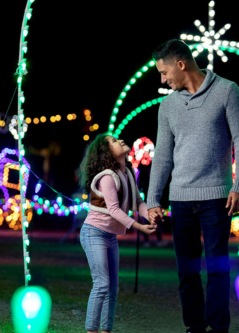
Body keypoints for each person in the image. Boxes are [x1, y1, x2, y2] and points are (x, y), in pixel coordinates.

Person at [147, 39, 239, 333]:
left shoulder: (228, 91)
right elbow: (163, 156)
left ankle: (218, 328)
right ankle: (195, 327)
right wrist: (153, 198)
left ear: (181, 65)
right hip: (180, 201)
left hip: (217, 198)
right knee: (187, 272)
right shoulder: (167, 106)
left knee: (217, 269)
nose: (163, 79)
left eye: (164, 72)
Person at [78, 133, 157, 333]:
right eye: (114, 141)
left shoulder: (128, 174)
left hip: (110, 236)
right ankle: (91, 331)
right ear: (108, 153)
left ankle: (106, 331)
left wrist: (150, 214)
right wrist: (139, 227)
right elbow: (114, 209)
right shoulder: (107, 176)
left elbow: (137, 203)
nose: (120, 140)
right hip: (93, 233)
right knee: (102, 284)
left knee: (113, 289)